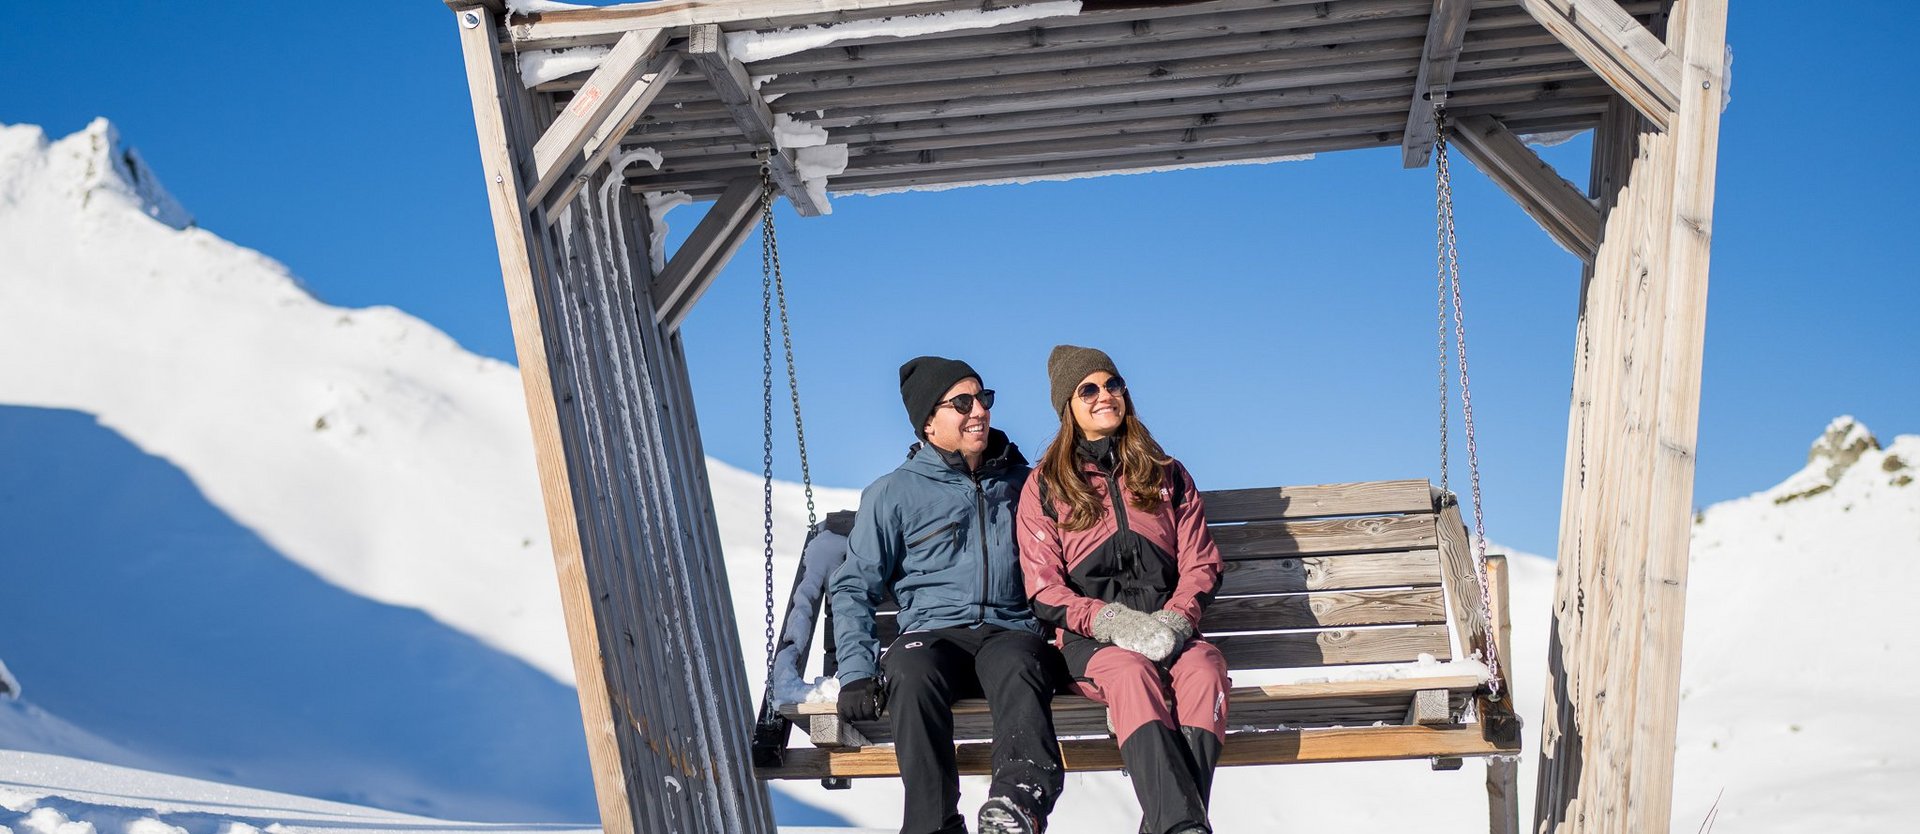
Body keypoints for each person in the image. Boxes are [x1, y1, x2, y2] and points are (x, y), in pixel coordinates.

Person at [829, 356, 1064, 834]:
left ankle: (1019, 803)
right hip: (933, 636)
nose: (979, 410)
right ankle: (933, 824)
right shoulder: (894, 493)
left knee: (1020, 665)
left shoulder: (1026, 485)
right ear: (929, 422)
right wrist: (855, 672)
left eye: (984, 398)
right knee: (910, 672)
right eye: (963, 402)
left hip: (1011, 629)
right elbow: (854, 586)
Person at [1016, 345, 1229, 834]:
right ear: (1067, 405)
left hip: (1170, 635)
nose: (1104, 395)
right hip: (1095, 647)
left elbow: (1201, 562)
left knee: (1205, 667)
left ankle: (1173, 823)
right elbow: (1043, 588)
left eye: (1112, 384)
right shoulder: (1046, 486)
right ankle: (1181, 825)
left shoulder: (1166, 472)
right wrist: (1113, 622)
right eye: (1087, 389)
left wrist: (1176, 621)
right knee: (1131, 670)